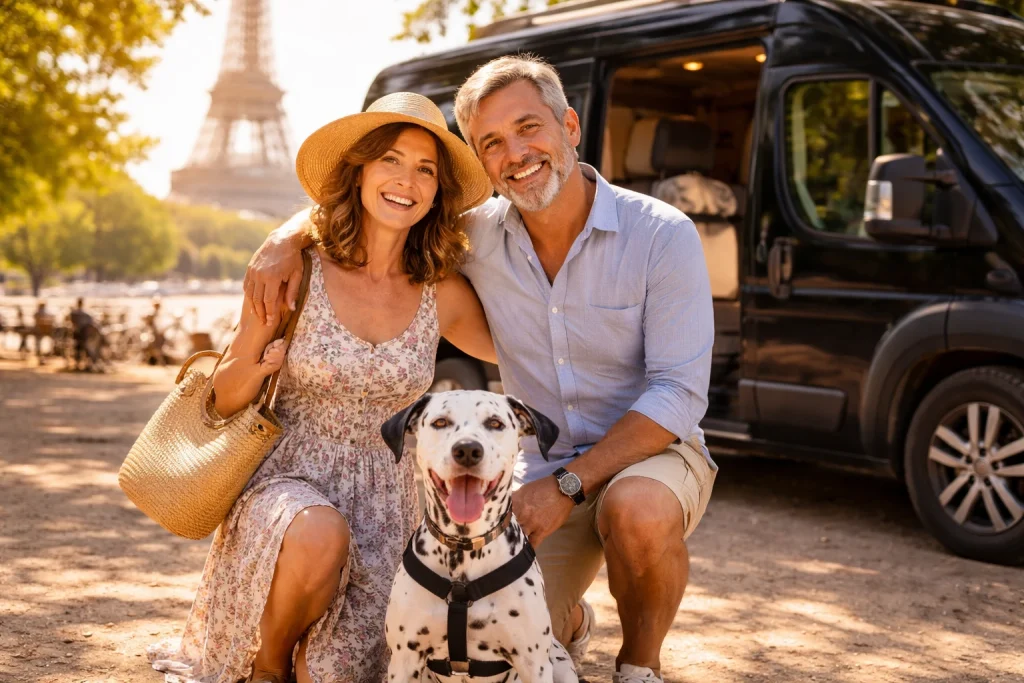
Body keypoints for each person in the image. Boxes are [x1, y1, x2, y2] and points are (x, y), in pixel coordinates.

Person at [247, 56, 717, 683]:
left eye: (529, 128)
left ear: (569, 126)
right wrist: (285, 238)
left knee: (636, 509)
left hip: (646, 455)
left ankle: (639, 667)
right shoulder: (475, 237)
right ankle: (572, 621)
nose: (515, 153)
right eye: (491, 142)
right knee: (484, 636)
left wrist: (566, 485)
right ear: (479, 160)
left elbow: (678, 392)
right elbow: (385, 214)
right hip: (541, 466)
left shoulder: (661, 234)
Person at [147, 92, 496, 683]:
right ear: (358, 172)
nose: (406, 180)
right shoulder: (295, 273)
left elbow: (531, 355)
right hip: (286, 487)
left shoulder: (444, 295)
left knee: (329, 672)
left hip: (386, 507)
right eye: (390, 160)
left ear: (437, 192)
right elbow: (223, 398)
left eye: (425, 169)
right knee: (317, 532)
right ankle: (267, 666)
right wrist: (257, 369)